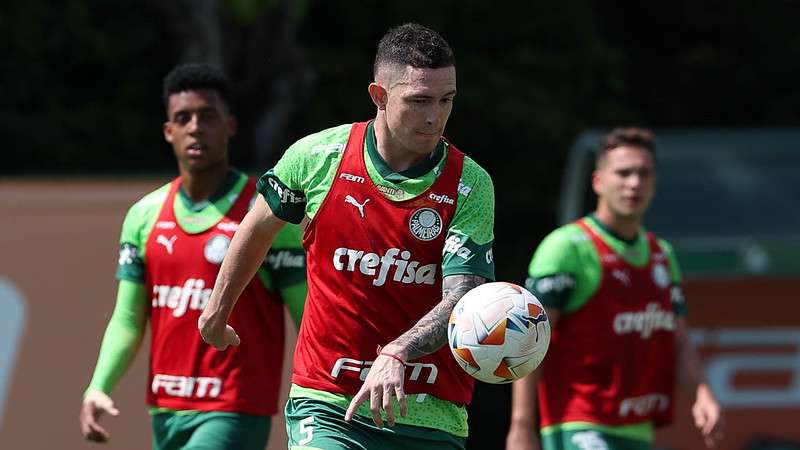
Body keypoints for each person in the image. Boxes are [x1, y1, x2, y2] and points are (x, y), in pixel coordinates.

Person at [199, 23, 495, 450]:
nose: (435, 117)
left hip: (431, 413)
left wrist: (397, 352)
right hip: (328, 405)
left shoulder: (470, 183)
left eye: (446, 100)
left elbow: (461, 299)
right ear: (379, 96)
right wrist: (217, 309)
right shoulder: (318, 157)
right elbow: (256, 228)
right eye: (419, 101)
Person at [79, 63, 307, 450]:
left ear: (230, 126)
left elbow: (307, 312)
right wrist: (98, 386)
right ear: (169, 131)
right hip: (165, 408)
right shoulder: (144, 214)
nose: (195, 127)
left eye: (208, 116)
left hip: (235, 407)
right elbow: (130, 317)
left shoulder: (265, 213)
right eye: (183, 118)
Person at [506, 127, 723, 450]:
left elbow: (677, 339)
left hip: (638, 430)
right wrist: (521, 426)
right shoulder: (566, 247)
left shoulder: (662, 254)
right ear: (598, 181)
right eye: (623, 173)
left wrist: (703, 392)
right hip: (578, 425)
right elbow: (529, 341)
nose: (634, 183)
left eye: (643, 173)